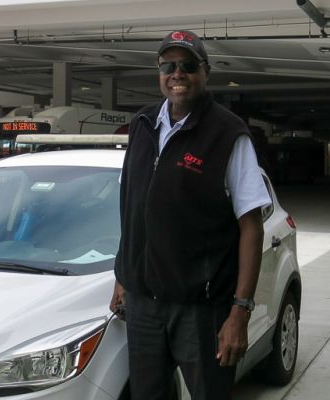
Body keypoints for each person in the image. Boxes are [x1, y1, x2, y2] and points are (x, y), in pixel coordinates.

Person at [110, 30, 272, 400]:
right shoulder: (142, 125)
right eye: (169, 65)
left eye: (187, 65)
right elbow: (132, 208)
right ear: (159, 72)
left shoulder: (229, 134)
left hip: (201, 310)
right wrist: (123, 275)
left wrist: (240, 311)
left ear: (206, 72)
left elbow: (251, 225)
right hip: (144, 305)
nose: (177, 73)